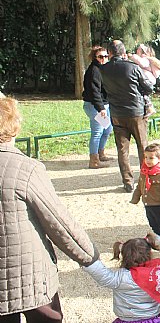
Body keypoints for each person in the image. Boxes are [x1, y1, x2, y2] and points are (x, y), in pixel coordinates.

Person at [0, 97, 99, 322]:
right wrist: (91, 259)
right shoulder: (26, 168)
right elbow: (58, 222)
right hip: (30, 277)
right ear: (14, 127)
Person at [83, 237, 160, 323]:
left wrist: (86, 258)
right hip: (151, 320)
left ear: (124, 256)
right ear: (149, 254)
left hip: (125, 320)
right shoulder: (158, 276)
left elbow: (102, 274)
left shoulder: (120, 278)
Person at [101, 40, 153, 193]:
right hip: (136, 112)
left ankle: (127, 181)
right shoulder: (132, 67)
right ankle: (146, 179)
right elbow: (148, 87)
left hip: (117, 113)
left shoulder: (103, 70)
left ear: (109, 53)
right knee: (142, 146)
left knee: (122, 149)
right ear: (124, 53)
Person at [131, 143, 160, 252]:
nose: (147, 160)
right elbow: (140, 186)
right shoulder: (144, 171)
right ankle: (159, 234)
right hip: (148, 203)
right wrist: (135, 198)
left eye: (151, 158)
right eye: (146, 157)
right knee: (152, 221)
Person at [82, 45, 113, 169]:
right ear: (95, 57)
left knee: (107, 130)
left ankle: (100, 153)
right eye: (100, 56)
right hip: (94, 106)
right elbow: (94, 92)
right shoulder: (94, 71)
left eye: (106, 56)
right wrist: (101, 109)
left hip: (103, 105)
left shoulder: (103, 69)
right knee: (98, 132)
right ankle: (94, 160)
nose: (104, 59)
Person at [129, 43, 160, 118]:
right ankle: (149, 108)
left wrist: (131, 56)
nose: (137, 50)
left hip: (145, 80)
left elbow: (143, 64)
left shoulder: (144, 59)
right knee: (144, 95)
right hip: (147, 80)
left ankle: (149, 108)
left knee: (142, 94)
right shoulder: (150, 60)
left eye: (138, 49)